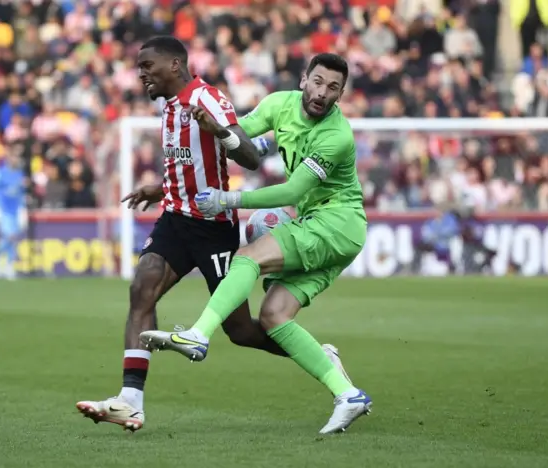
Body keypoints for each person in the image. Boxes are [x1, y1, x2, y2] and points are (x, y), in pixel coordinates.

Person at [75, 38, 354, 432]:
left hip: (212, 227)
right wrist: (162, 187)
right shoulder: (169, 107)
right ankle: (130, 400)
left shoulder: (208, 99)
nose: (141, 73)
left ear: (174, 65)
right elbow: (189, 161)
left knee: (241, 331)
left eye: (147, 65)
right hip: (175, 217)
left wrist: (221, 133)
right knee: (143, 287)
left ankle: (323, 359)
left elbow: (250, 157)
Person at [140, 54, 372, 434]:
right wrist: (213, 137)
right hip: (327, 228)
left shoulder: (337, 136)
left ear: (341, 95)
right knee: (274, 317)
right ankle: (347, 393)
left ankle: (198, 335)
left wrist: (227, 200)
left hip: (335, 222)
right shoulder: (279, 105)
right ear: (304, 80)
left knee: (247, 256)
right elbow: (242, 138)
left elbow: (294, 189)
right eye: (317, 81)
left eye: (333, 88)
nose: (322, 92)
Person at [0, 147, 26, 280]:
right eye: (13, 157)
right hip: (3, 209)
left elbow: (21, 193)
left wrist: (23, 209)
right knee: (9, 236)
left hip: (16, 210)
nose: (15, 159)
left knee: (14, 238)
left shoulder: (19, 174)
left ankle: (9, 265)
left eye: (17, 157)